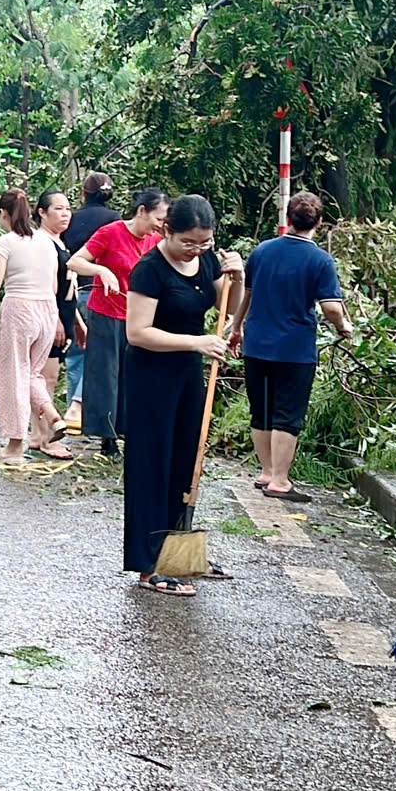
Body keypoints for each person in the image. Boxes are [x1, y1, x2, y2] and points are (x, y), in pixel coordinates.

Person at [121, 197, 238, 596]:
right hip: (151, 376)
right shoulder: (149, 271)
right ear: (166, 230)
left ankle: (178, 553)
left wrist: (238, 279)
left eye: (204, 242)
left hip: (188, 372)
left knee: (186, 464)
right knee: (151, 466)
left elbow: (232, 308)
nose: (197, 249)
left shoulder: (207, 261)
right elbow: (137, 332)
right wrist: (196, 342)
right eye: (189, 242)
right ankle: (149, 565)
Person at [231, 192, 351, 501]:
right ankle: (281, 481)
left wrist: (235, 328)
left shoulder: (262, 251)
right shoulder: (321, 260)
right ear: (319, 223)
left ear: (286, 219)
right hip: (294, 350)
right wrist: (344, 326)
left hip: (257, 344)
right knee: (287, 413)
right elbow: (331, 308)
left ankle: (266, 472)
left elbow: (248, 295)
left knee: (262, 409)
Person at [0, 189, 74, 464]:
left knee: (13, 378)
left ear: (4, 214)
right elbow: (55, 285)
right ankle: (52, 414)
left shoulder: (5, 242)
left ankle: (13, 447)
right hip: (47, 310)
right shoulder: (46, 242)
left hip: (19, 310)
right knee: (32, 373)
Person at [72, 189, 168, 456]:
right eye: (158, 218)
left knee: (134, 375)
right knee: (106, 375)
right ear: (141, 211)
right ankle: (107, 437)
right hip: (106, 313)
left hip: (139, 318)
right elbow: (75, 261)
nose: (160, 224)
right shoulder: (110, 232)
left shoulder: (156, 241)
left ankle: (131, 431)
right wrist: (101, 270)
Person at [61, 174, 123, 428]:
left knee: (75, 354)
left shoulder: (71, 218)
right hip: (101, 293)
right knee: (98, 356)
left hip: (72, 292)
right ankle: (79, 408)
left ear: (84, 193)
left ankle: (72, 414)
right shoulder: (115, 222)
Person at [38, 191, 86, 417]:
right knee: (45, 378)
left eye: (67, 208)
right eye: (58, 209)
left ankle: (44, 434)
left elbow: (69, 288)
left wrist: (76, 321)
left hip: (65, 316)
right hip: (49, 318)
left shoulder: (61, 242)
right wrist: (55, 319)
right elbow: (45, 285)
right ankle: (44, 435)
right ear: (42, 212)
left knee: (52, 377)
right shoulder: (42, 243)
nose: (65, 214)